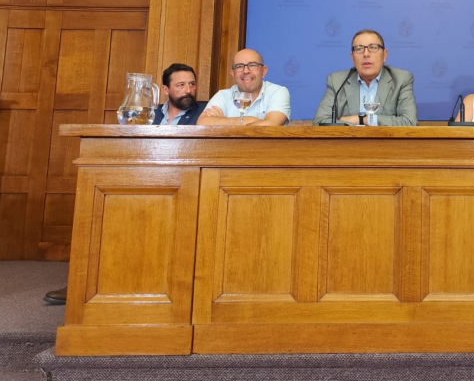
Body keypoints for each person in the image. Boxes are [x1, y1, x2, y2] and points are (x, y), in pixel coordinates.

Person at [44, 61, 212, 305]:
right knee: (102, 213)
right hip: (140, 182)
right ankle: (84, 284)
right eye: (181, 85)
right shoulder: (145, 113)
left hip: (182, 189)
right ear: (165, 89)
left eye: (192, 84)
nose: (188, 90)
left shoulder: (205, 113)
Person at [313, 29, 418, 126]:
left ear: (384, 55)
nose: (366, 54)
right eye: (359, 49)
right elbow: (320, 122)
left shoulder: (401, 79)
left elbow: (409, 122)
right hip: (348, 145)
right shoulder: (337, 81)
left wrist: (363, 119)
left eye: (373, 48)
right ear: (352, 57)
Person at [197, 48, 290, 126]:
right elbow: (202, 123)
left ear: (264, 71)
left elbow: (271, 125)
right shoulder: (223, 95)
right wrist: (249, 120)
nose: (246, 71)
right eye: (239, 66)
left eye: (252, 65)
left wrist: (223, 122)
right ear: (233, 73)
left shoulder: (278, 92)